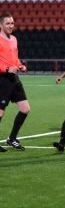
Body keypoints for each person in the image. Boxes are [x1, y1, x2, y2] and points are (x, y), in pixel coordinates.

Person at [0, 13, 30, 152]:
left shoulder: (14, 39)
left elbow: (15, 58)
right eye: (8, 23)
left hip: (14, 78)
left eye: (12, 23)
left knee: (25, 109)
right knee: (0, 112)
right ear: (1, 25)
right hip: (2, 79)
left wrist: (20, 65)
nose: (11, 26)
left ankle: (12, 138)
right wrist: (6, 68)